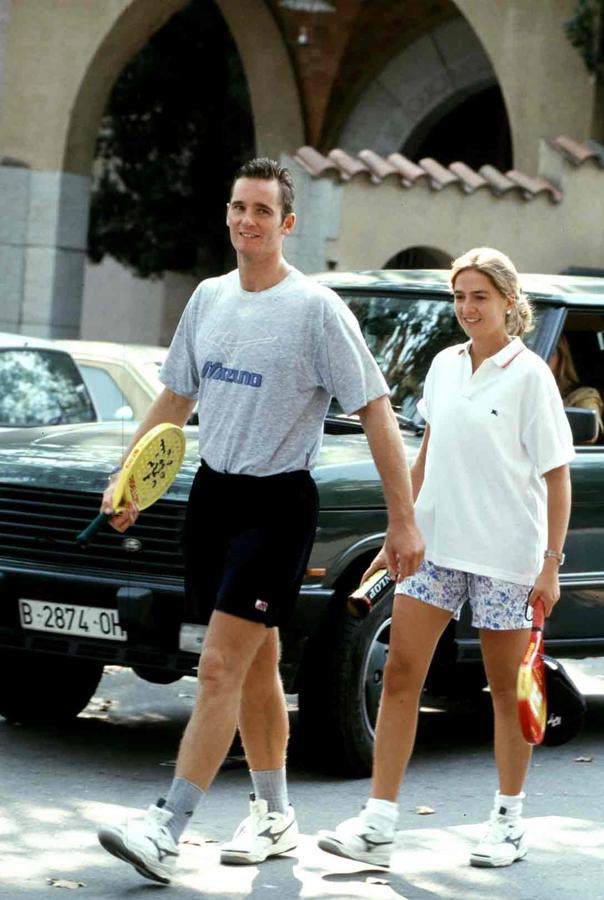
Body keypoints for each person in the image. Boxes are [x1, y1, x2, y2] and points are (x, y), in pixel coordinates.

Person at [96, 157, 424, 885]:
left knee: (218, 665)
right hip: (213, 497)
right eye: (238, 207)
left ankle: (167, 826)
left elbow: (374, 409)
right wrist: (128, 483)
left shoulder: (315, 310)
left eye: (262, 211)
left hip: (277, 506)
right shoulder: (208, 300)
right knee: (255, 667)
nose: (247, 220)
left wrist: (404, 521)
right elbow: (175, 400)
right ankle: (275, 815)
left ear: (288, 223)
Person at [319, 247, 575, 870]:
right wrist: (400, 525)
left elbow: (557, 477)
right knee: (402, 676)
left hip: (506, 558)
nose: (466, 308)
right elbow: (429, 448)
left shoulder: (530, 375)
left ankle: (508, 821)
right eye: (459, 296)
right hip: (436, 549)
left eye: (479, 296)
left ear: (510, 304)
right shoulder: (442, 365)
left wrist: (550, 564)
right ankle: (379, 821)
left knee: (503, 691)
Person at [549, 333, 603, 443]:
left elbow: (591, 434)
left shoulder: (584, 395)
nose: (539, 360)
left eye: (551, 353)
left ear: (561, 357)